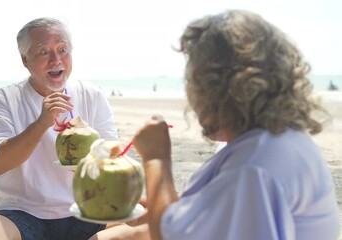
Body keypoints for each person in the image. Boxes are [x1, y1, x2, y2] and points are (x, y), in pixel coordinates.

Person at [130, 9, 340, 240]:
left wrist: (156, 158)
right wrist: (177, 205)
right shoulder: (280, 139)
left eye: (192, 79)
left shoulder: (253, 166)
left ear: (214, 89)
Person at [0, 18, 118, 240]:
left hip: (86, 208)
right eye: (44, 52)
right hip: (24, 213)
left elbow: (112, 155)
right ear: (25, 60)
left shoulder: (92, 95)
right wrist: (41, 123)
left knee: (151, 212)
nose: (56, 60)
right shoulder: (5, 99)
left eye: (62, 49)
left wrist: (94, 165)